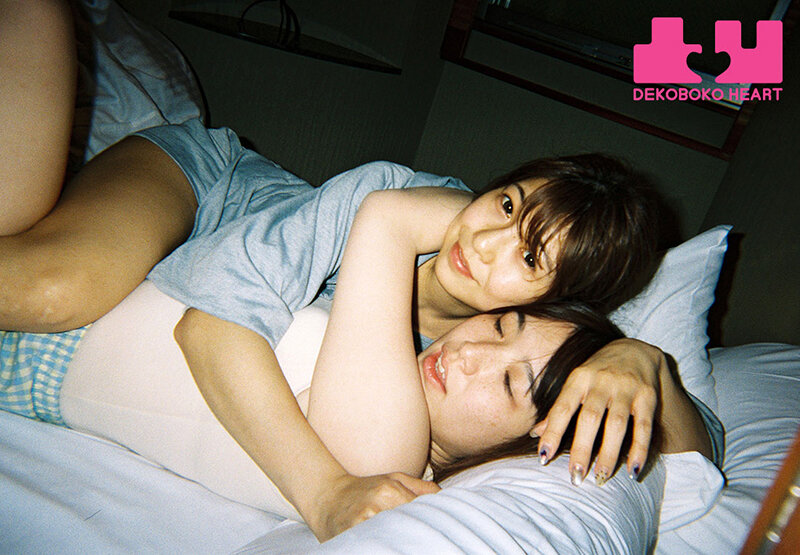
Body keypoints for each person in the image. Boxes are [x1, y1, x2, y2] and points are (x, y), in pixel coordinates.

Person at [0, 0, 722, 541]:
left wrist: (643, 361)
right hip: (200, 187)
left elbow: (703, 454)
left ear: (555, 299)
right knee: (50, 290)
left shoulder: (506, 347)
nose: (484, 241)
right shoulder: (393, 198)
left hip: (180, 250)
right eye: (507, 202)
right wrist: (325, 493)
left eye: (530, 257)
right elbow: (212, 327)